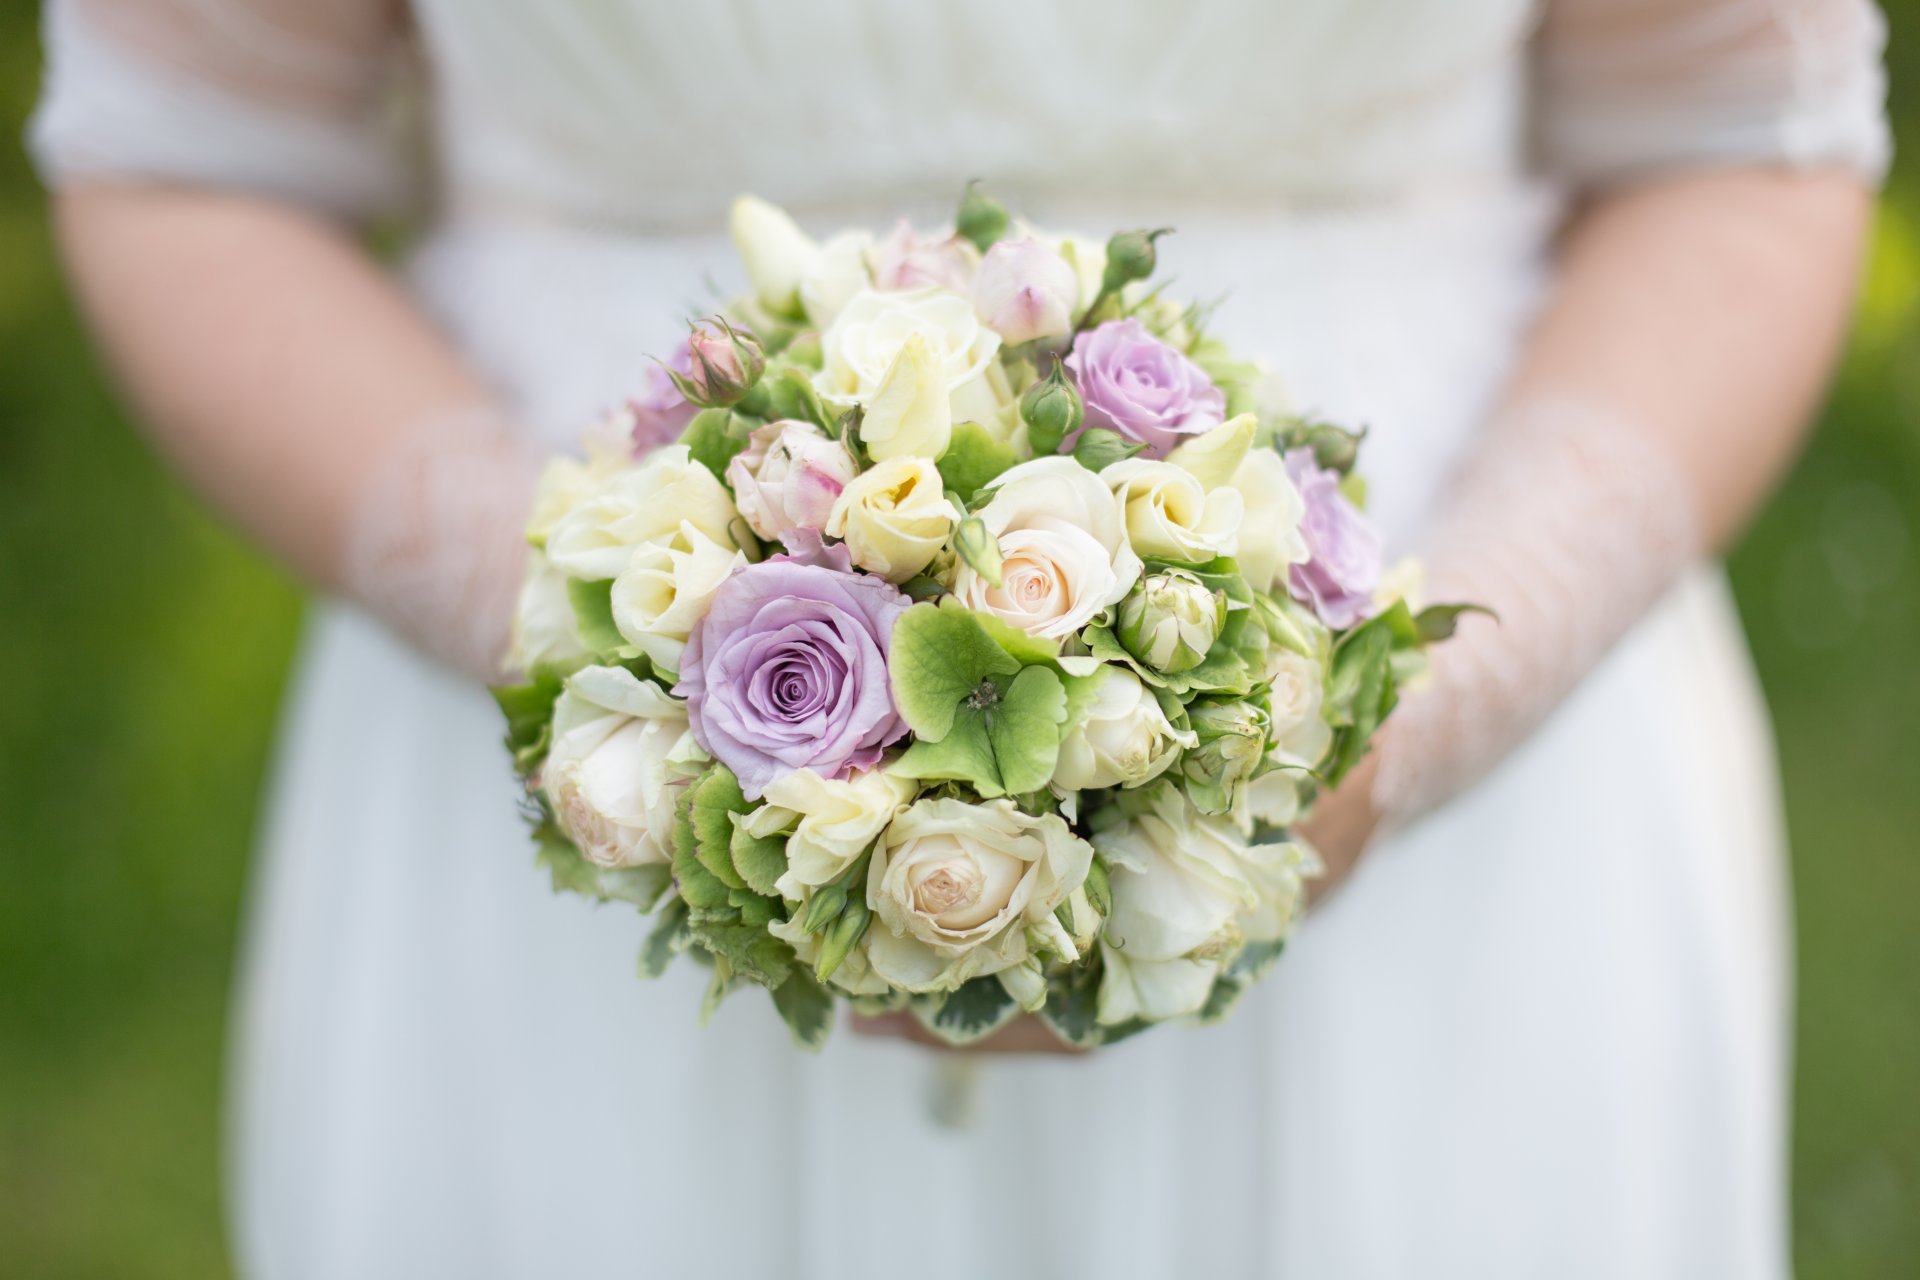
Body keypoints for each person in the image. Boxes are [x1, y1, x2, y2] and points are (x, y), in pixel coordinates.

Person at [31, 2, 1888, 1276]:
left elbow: (1734, 135)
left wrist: (1424, 706)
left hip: (1458, 798)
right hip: (577, 785)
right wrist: (625, 652)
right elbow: (198, 152)